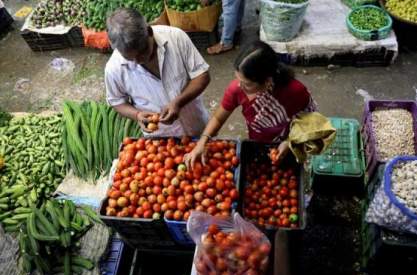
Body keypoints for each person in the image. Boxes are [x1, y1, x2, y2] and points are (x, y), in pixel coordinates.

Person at [184, 41, 317, 168]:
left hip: (292, 141)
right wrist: (202, 142)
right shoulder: (236, 89)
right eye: (238, 79)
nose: (240, 86)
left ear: (267, 81)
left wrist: (290, 142)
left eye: (247, 83)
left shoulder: (295, 91)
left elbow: (312, 122)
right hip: (258, 141)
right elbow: (218, 118)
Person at [104, 8, 211, 137]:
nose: (138, 61)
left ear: (149, 31)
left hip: (196, 123)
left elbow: (202, 75)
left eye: (143, 52)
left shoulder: (176, 38)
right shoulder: (114, 69)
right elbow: (117, 102)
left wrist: (178, 102)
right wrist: (137, 115)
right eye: (130, 58)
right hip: (160, 138)